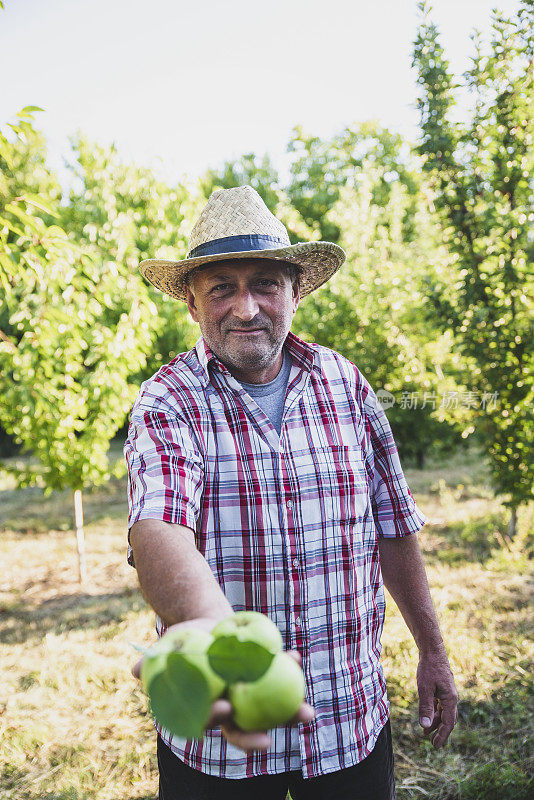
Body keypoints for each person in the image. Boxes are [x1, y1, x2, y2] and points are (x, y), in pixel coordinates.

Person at [124, 185, 458, 800]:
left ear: (296, 292)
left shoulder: (345, 384)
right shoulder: (170, 399)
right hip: (220, 744)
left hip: (347, 721)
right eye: (222, 287)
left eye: (265, 283)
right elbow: (159, 531)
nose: (246, 307)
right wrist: (234, 656)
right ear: (193, 305)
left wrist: (433, 650)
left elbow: (394, 525)